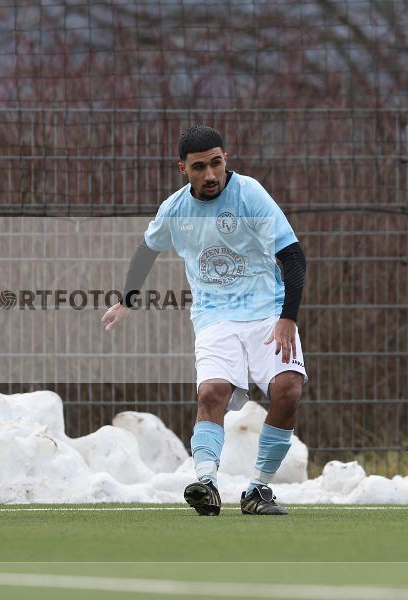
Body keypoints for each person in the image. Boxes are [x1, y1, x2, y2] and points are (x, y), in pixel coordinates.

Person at [101, 126, 307, 516]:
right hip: (214, 317)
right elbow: (146, 249)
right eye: (199, 167)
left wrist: (288, 318)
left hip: (267, 311)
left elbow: (293, 256)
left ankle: (258, 489)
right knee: (212, 392)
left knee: (288, 391)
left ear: (225, 159)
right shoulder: (175, 210)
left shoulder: (250, 194)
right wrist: (125, 301)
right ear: (183, 168)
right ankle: (207, 483)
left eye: (216, 163)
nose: (210, 175)